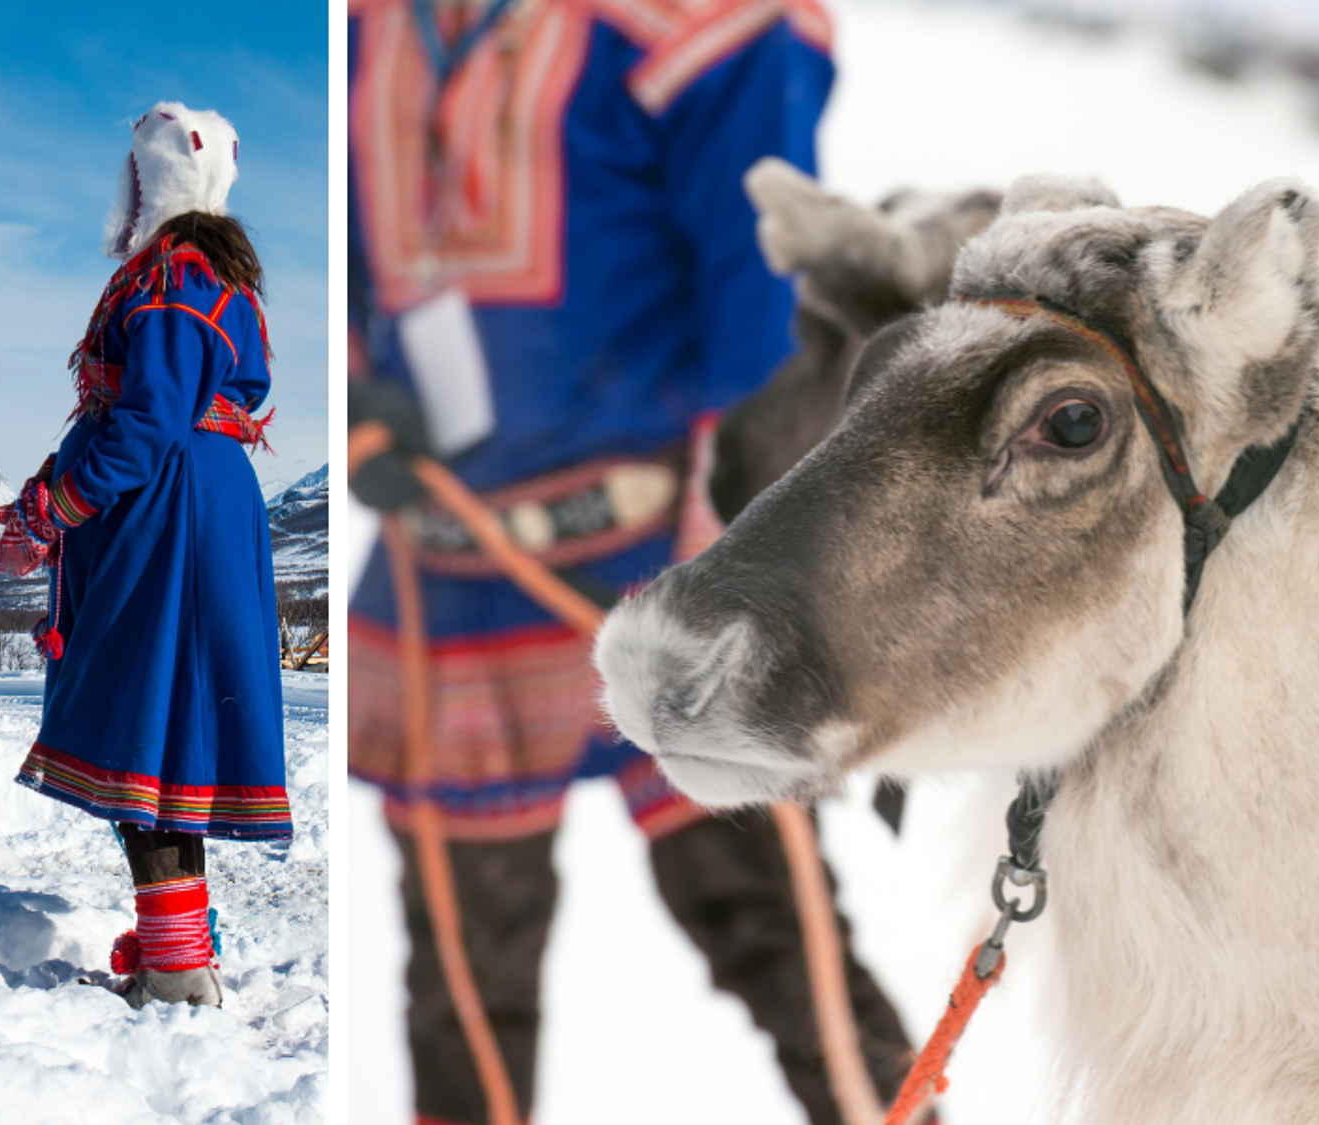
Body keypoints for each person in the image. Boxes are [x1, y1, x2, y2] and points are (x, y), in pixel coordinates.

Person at [346, 1, 919, 1122]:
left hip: (671, 558)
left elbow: (762, 316)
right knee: (462, 987)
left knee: (776, 936)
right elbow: (364, 264)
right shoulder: (364, 28)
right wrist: (361, 398)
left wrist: (783, 572)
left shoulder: (698, 26)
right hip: (446, 577)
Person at [0, 101, 289, 1010]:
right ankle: (179, 951)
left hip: (165, 517)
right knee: (165, 741)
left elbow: (143, 426)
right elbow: (132, 421)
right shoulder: (215, 282)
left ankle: (179, 971)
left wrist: (50, 514)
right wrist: (45, 494)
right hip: (196, 506)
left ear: (146, 185)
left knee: (143, 734)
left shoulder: (168, 283)